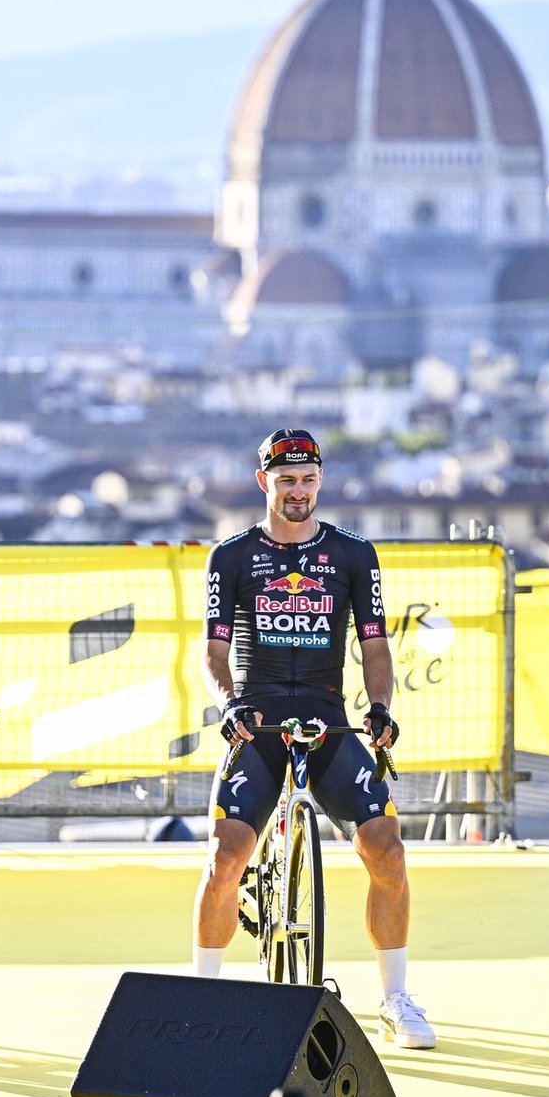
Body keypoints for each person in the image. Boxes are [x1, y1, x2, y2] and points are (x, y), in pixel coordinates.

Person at [190, 428, 434, 1049]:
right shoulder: (232, 556)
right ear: (264, 482)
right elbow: (215, 653)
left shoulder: (355, 554)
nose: (297, 492)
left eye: (307, 480)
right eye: (285, 480)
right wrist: (229, 705)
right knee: (224, 862)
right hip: (259, 721)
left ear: (320, 481)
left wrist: (379, 708)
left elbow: (375, 645)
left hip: (328, 721)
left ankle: (396, 999)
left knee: (388, 849)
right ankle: (203, 1000)